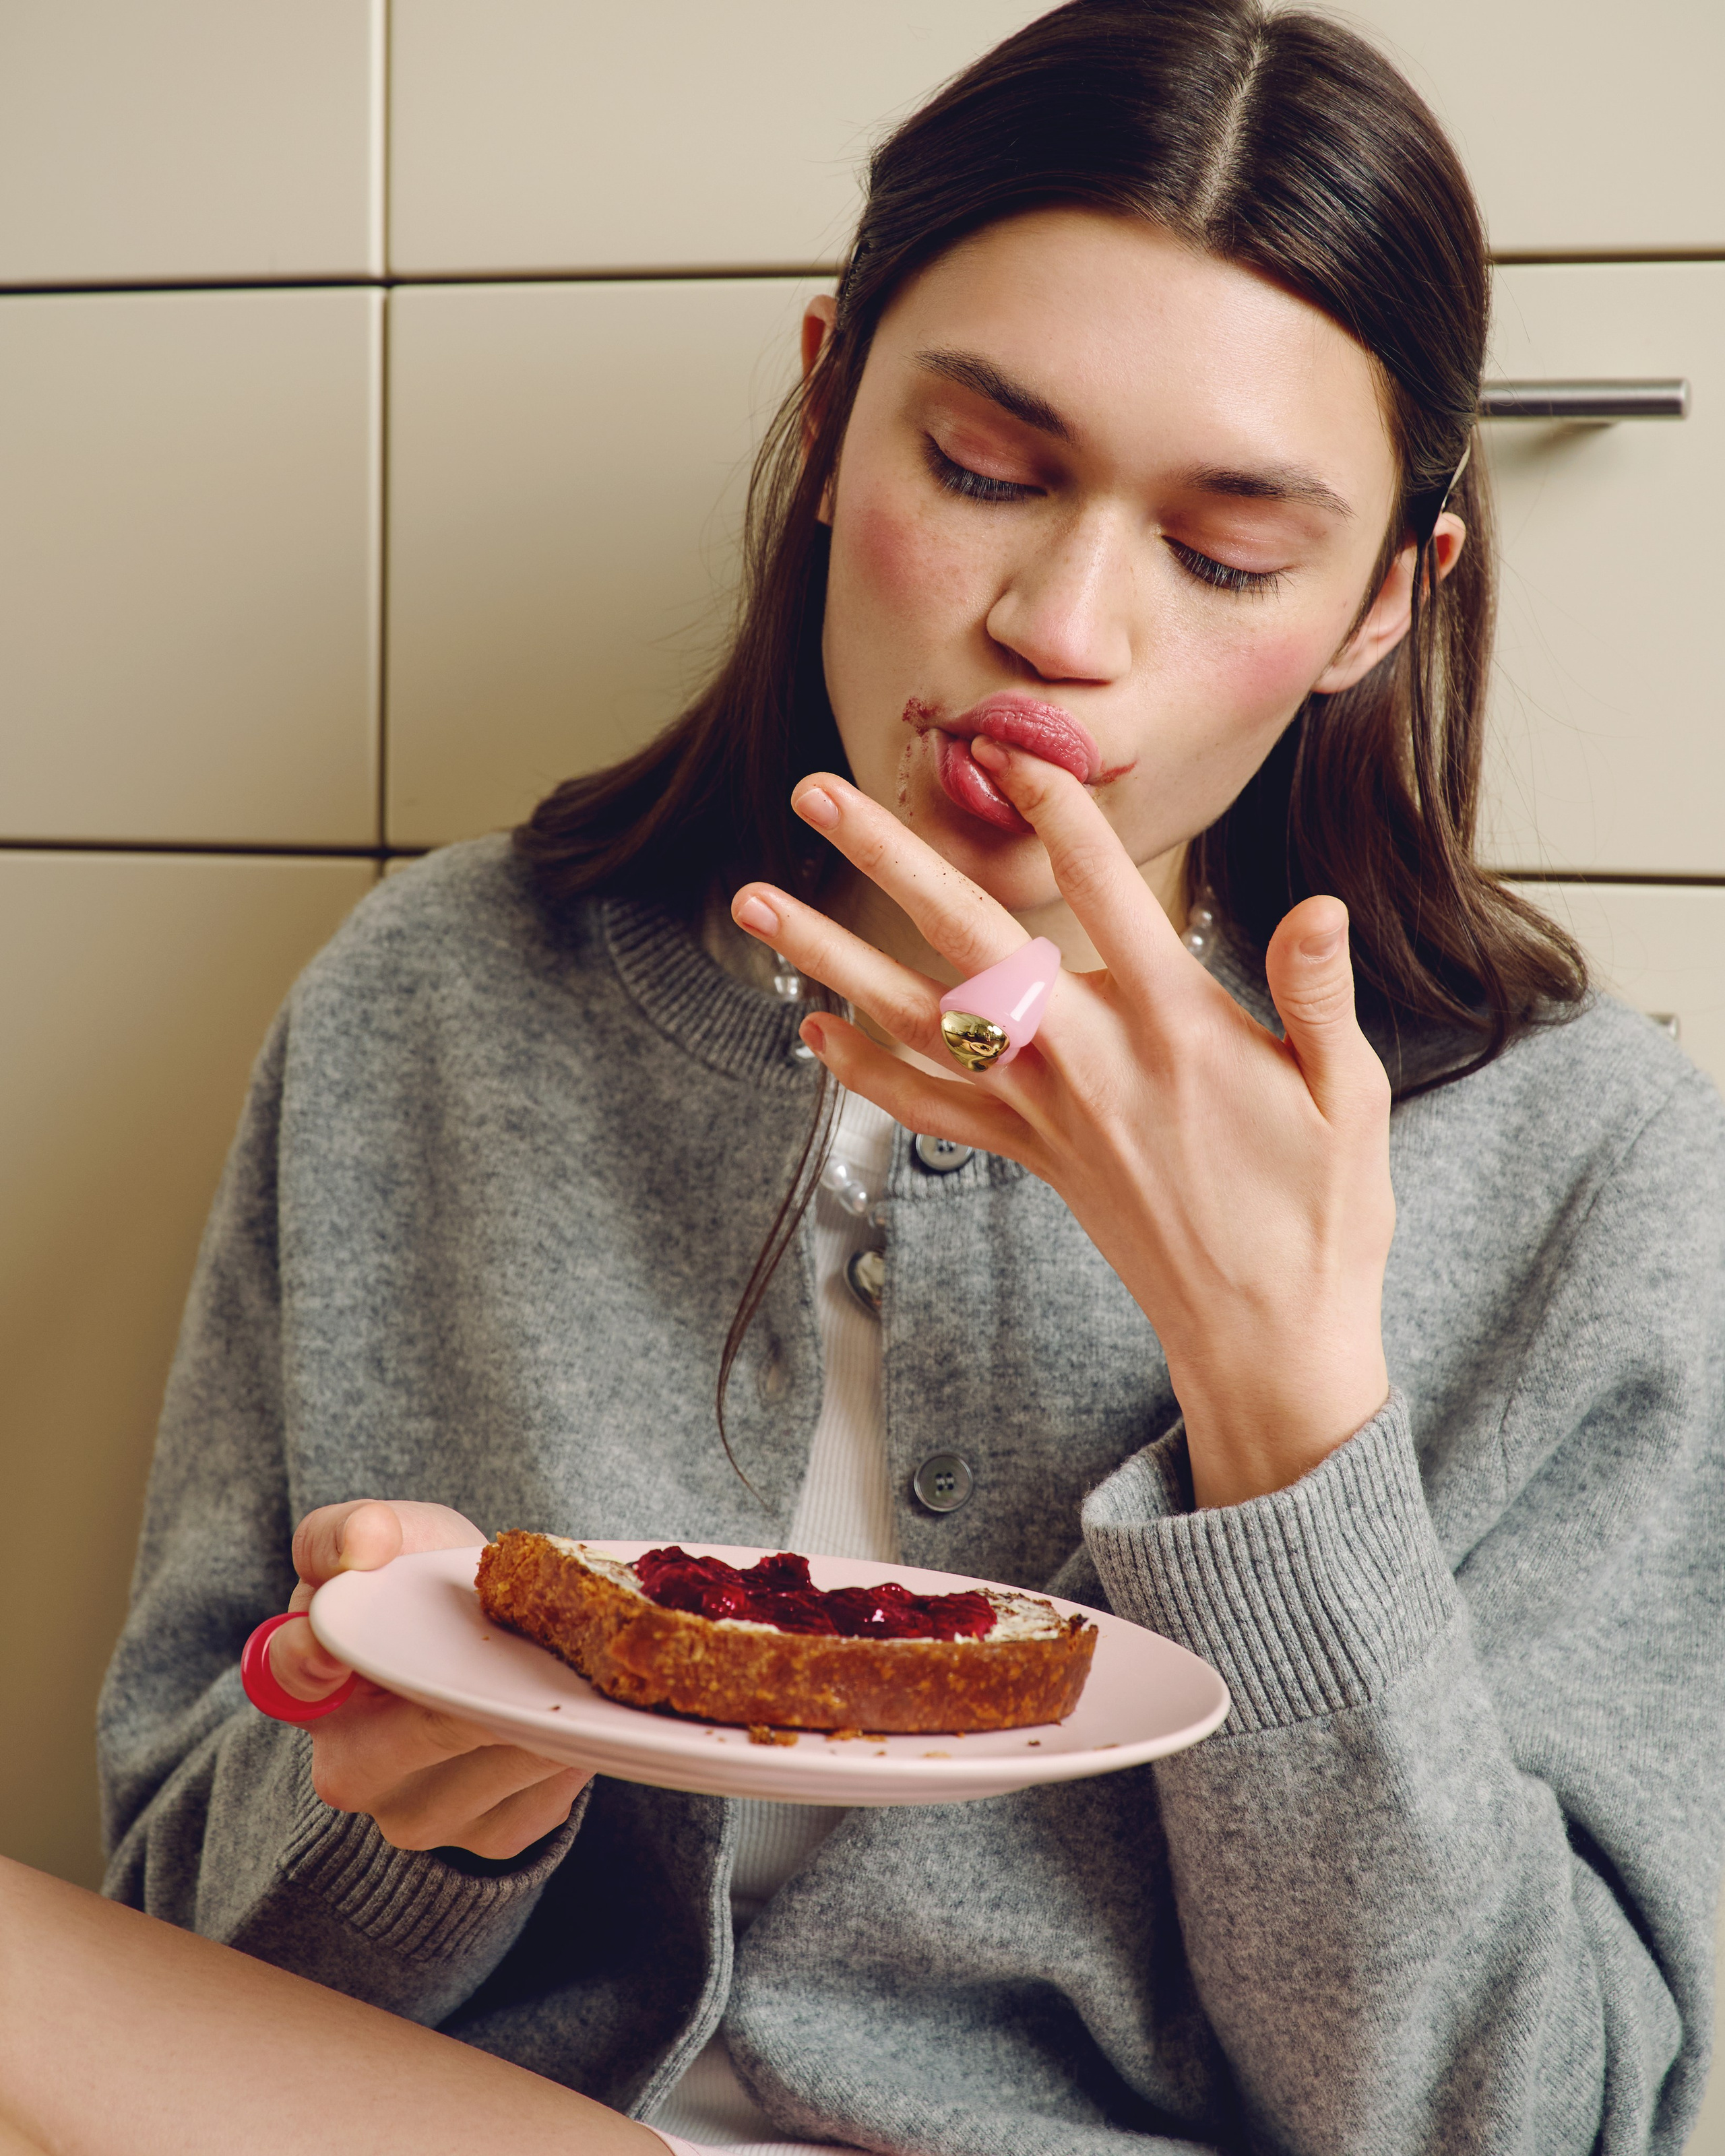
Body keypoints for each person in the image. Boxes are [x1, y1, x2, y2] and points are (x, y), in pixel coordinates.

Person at [3, 1, 1722, 2151]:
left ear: (1386, 599)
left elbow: (1542, 2122)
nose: (1065, 627)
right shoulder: (440, 1000)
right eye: (986, 472)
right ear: (831, 411)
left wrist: (1284, 1407)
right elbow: (183, 1941)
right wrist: (415, 1792)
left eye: (1227, 554)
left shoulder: (1582, 1161)